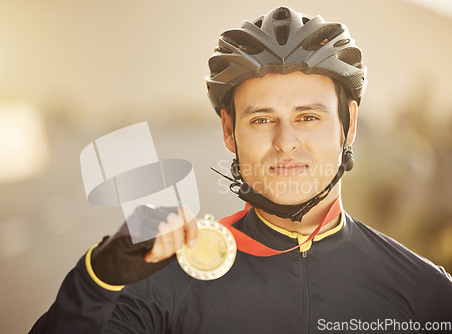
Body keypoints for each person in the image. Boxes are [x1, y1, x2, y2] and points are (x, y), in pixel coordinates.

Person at [30, 6, 452, 333]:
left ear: (349, 125)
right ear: (230, 132)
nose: (286, 142)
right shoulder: (168, 279)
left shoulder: (426, 293)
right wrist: (97, 281)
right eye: (262, 119)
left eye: (308, 117)